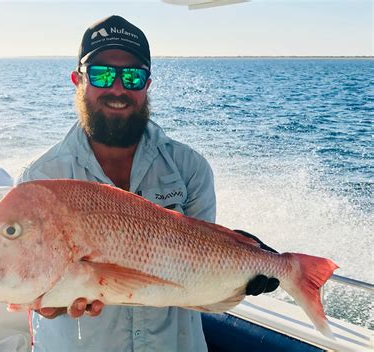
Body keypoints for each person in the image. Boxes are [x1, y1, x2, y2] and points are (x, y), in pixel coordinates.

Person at [17, 15, 278, 352]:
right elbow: (26, 283)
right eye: (102, 74)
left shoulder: (189, 168)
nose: (117, 88)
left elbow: (201, 278)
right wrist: (45, 306)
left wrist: (243, 261)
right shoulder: (41, 180)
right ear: (78, 81)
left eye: (133, 76)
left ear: (148, 85)